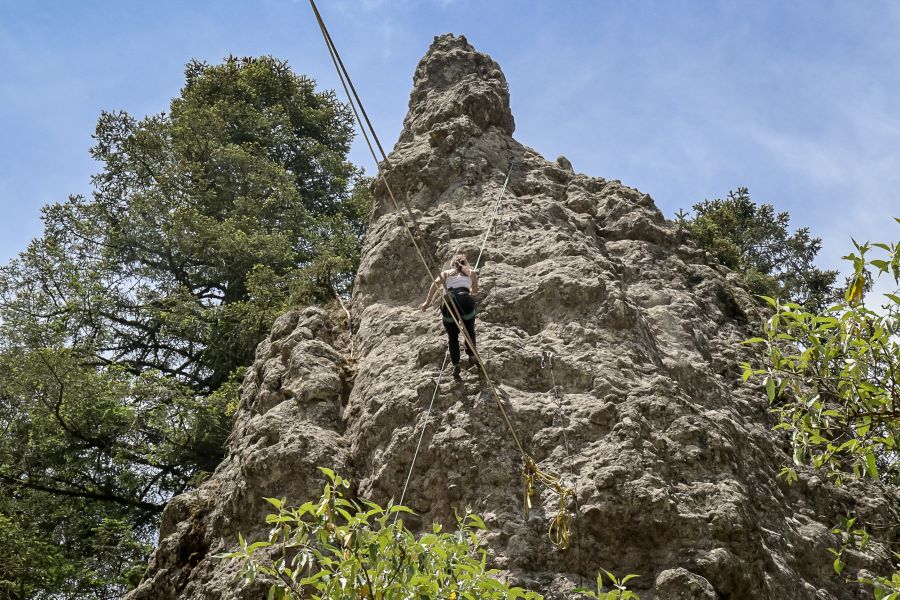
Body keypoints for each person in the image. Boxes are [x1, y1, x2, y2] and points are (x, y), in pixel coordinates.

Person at [420, 253, 479, 378]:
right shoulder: (471, 272)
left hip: (448, 301)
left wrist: (427, 303)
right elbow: (474, 291)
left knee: (452, 336)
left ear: (452, 264)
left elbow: (435, 284)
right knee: (469, 330)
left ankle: (456, 364)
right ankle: (472, 355)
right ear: (465, 263)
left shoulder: (446, 273)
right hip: (465, 300)